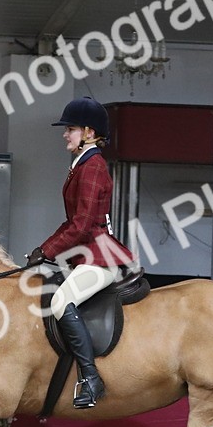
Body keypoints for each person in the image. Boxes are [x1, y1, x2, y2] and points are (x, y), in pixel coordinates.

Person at [27, 97, 137, 409]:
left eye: (71, 129)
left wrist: (48, 250)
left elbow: (84, 224)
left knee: (62, 302)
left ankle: (91, 378)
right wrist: (43, 250)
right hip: (84, 251)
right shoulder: (82, 165)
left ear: (89, 133)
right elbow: (71, 222)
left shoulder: (93, 167)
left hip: (99, 255)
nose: (66, 134)